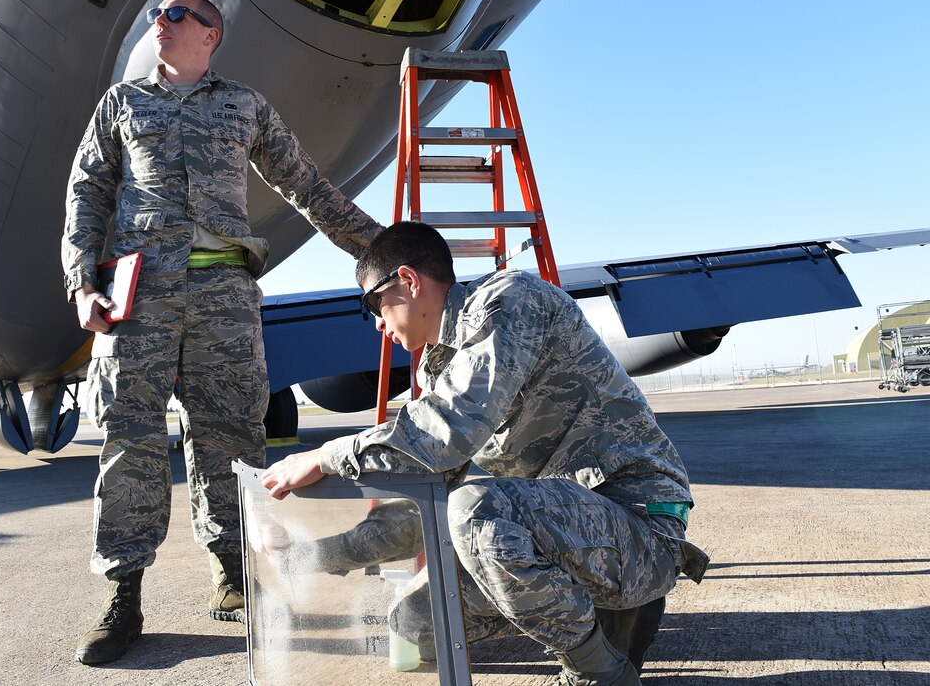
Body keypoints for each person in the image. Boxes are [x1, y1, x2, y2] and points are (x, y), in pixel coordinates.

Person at [61, 0, 383, 665]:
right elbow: (87, 191)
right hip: (139, 295)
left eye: (175, 15)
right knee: (130, 439)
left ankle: (234, 572)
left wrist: (379, 248)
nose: (159, 21)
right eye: (157, 14)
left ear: (211, 35)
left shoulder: (244, 106)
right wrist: (81, 281)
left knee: (233, 436)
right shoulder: (123, 104)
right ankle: (123, 595)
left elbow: (306, 185)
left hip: (222, 293)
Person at [261, 221, 708, 686]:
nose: (376, 321)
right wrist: (308, 556)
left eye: (373, 303)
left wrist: (328, 455)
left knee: (475, 509)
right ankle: (598, 611)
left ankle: (600, 672)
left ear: (408, 281)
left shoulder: (510, 300)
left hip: (635, 523)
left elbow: (447, 431)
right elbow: (422, 502)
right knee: (414, 622)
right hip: (565, 533)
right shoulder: (443, 367)